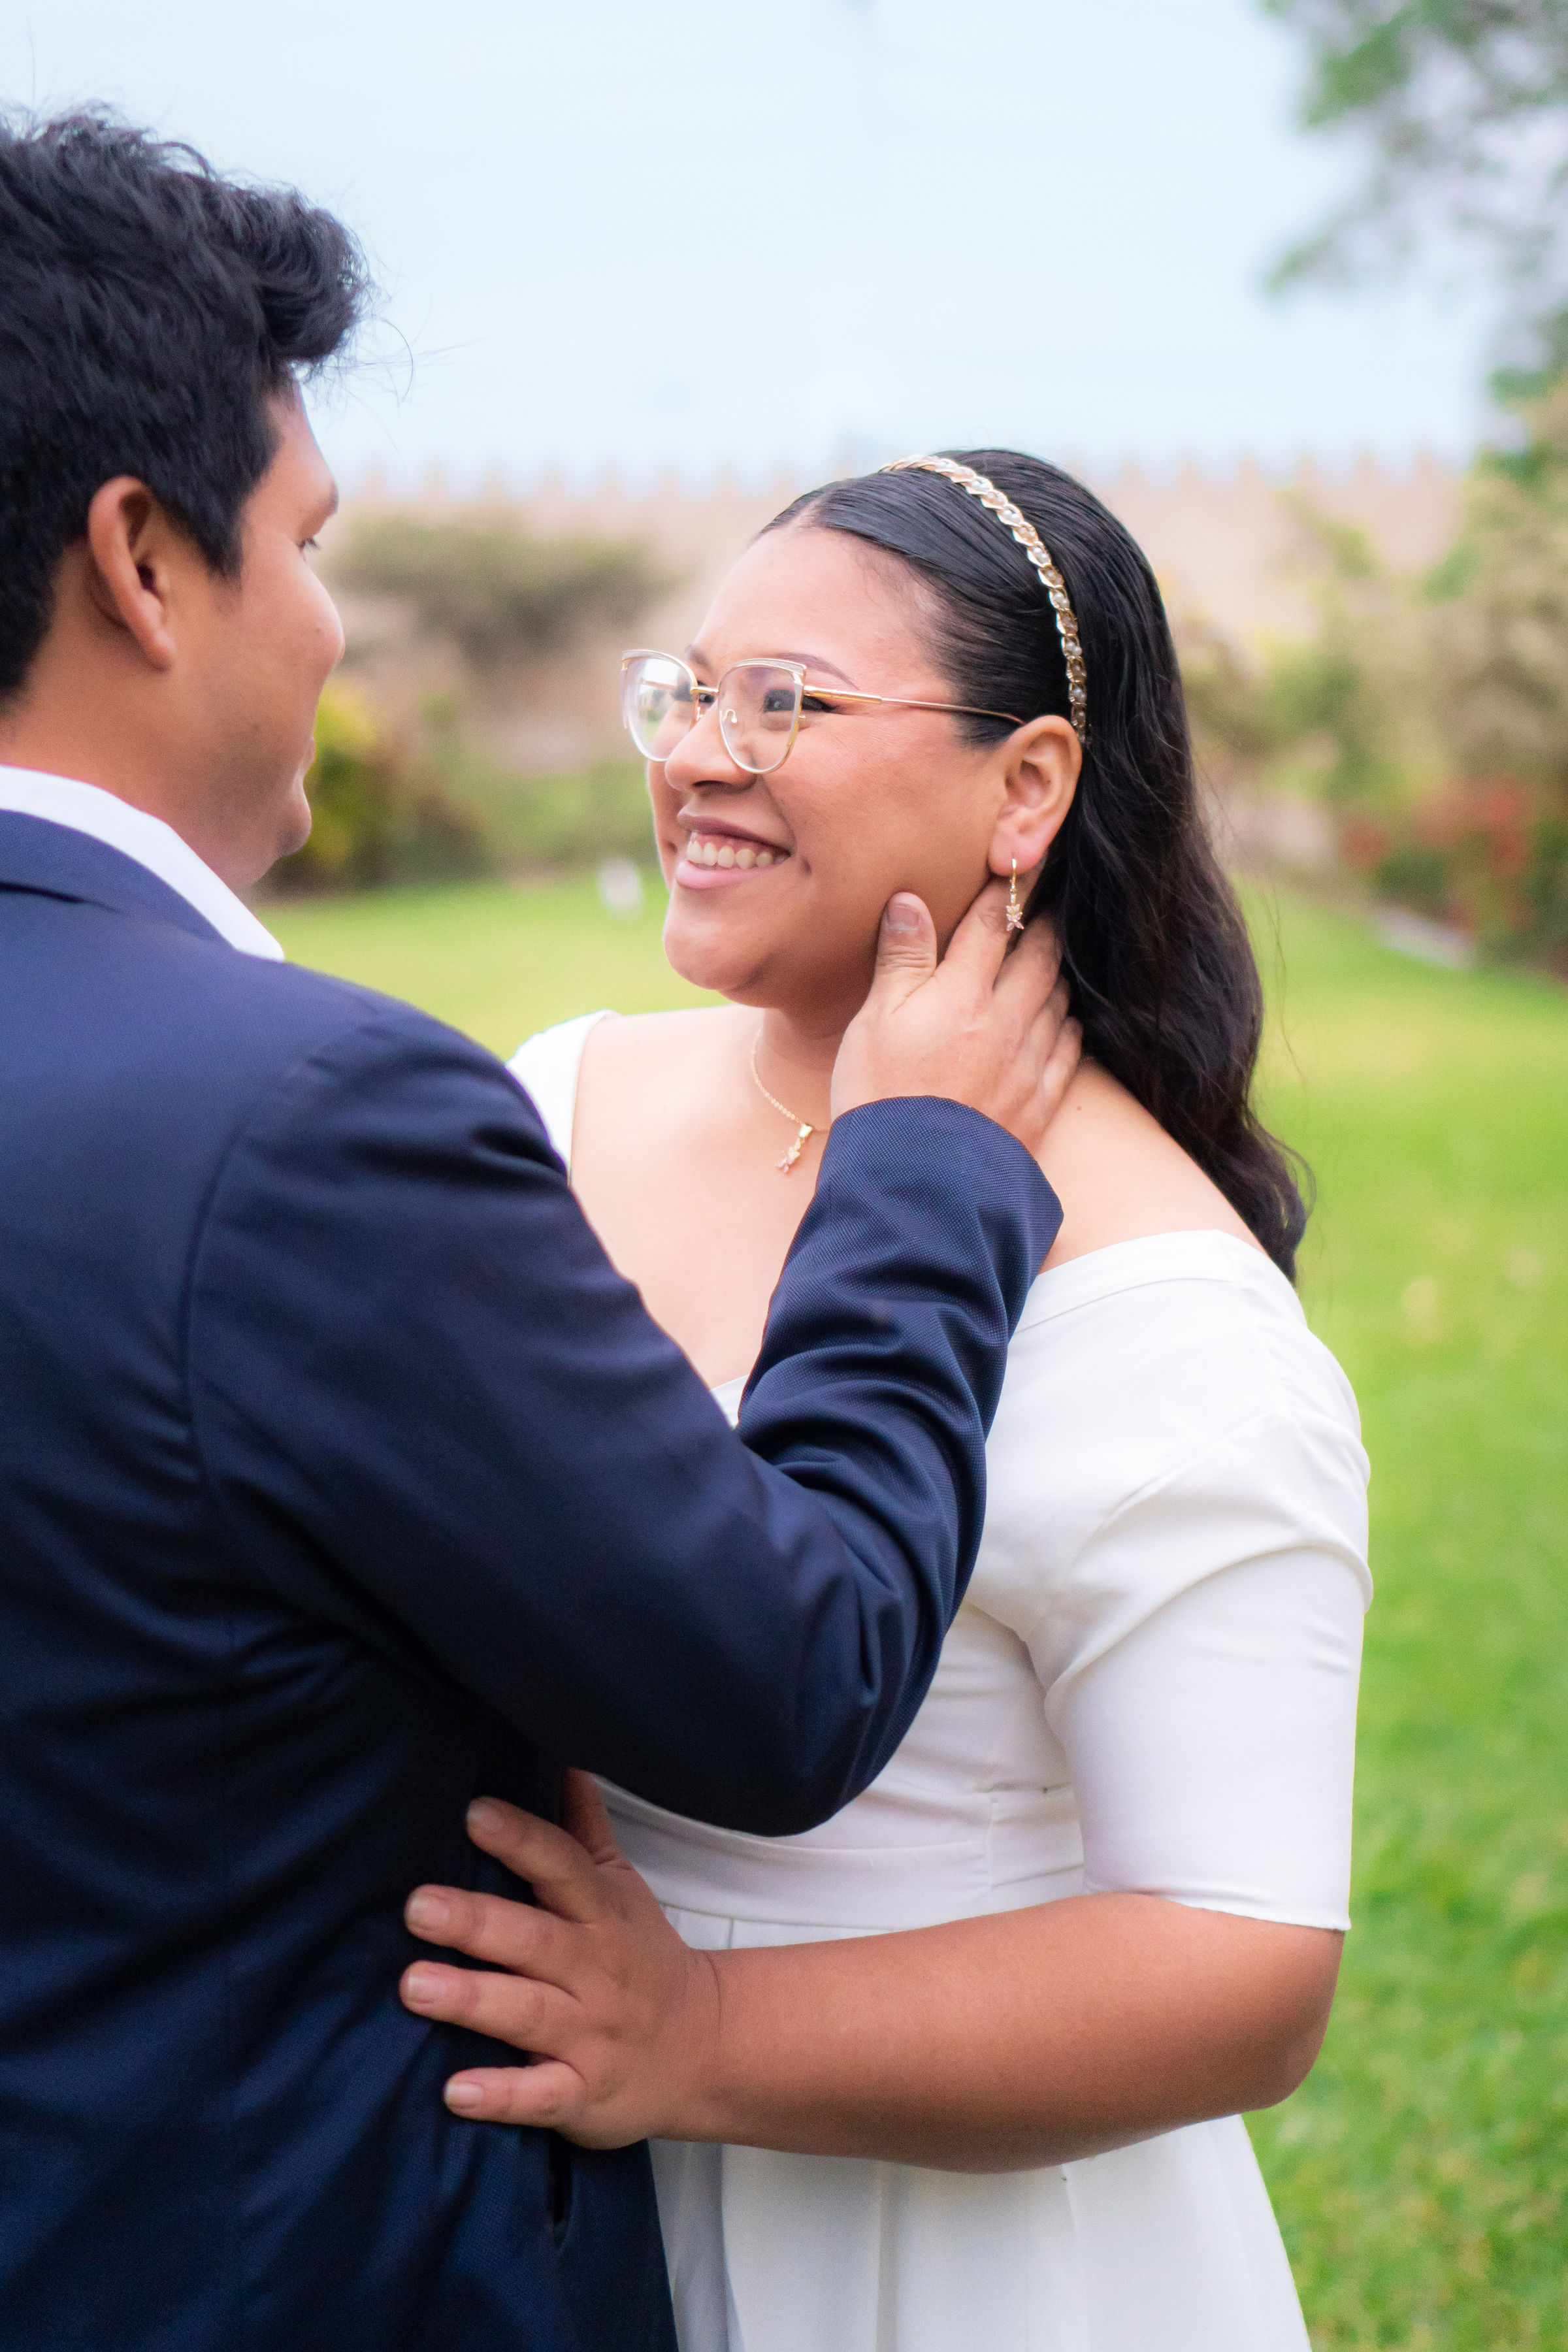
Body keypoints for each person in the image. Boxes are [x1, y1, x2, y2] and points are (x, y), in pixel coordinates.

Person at [0, 123, 1081, 2352]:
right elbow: (783, 1676)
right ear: (142, 562)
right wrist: (925, 1170)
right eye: (305, 542)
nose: (323, 619)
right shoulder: (298, 1118)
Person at [399, 452, 1373, 2351]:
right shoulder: (556, 1101)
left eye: (793, 703)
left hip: (945, 2259)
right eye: (686, 687)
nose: (699, 751)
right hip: (533, 2213)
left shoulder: (1174, 1316)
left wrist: (697, 2037)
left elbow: (1242, 1963)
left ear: (1029, 787)